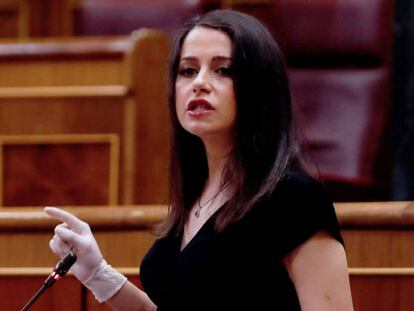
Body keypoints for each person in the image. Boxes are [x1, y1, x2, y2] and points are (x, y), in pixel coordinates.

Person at [45, 9, 354, 311]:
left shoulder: (295, 200)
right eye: (188, 70)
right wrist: (98, 274)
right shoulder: (196, 194)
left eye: (223, 70)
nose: (200, 83)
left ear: (258, 87)